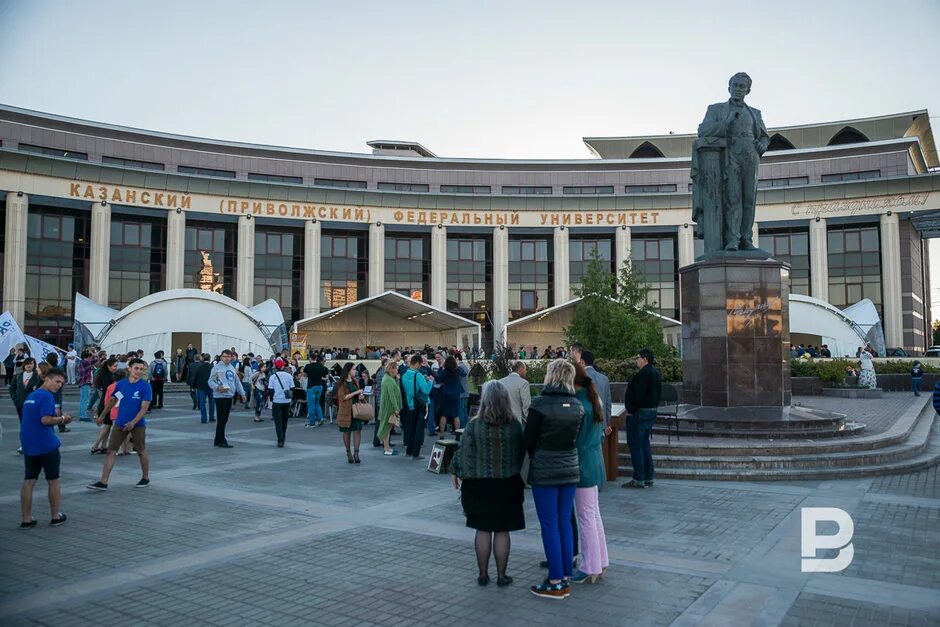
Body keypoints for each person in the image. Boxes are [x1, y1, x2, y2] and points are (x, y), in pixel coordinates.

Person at [451, 380, 526, 587]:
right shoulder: (515, 426)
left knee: (482, 529)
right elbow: (521, 454)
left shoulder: (474, 425)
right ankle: (502, 576)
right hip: (508, 484)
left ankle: (483, 575)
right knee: (502, 530)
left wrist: (457, 472)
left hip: (479, 486)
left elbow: (464, 454)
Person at [524, 359, 583, 599]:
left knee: (549, 525)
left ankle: (555, 581)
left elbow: (528, 440)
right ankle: (566, 573)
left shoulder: (539, 404)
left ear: (551, 376)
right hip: (570, 468)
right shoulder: (578, 406)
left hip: (545, 471)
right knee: (565, 522)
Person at [570, 362, 609, 584]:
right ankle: (600, 561)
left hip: (581, 466)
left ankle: (590, 566)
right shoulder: (593, 401)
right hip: (594, 463)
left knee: (585, 517)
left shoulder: (579, 405)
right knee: (593, 515)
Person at [87, 358, 152, 491]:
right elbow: (113, 400)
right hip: (121, 422)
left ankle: (145, 477)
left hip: (137, 424)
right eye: (136, 368)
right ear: (129, 368)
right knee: (111, 451)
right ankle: (103, 482)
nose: (138, 372)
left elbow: (144, 408)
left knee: (141, 451)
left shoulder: (145, 386)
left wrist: (133, 422)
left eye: (141, 369)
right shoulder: (121, 385)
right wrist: (102, 416)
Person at [19, 366, 71, 528]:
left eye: (62, 383)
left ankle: (26, 519)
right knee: (53, 480)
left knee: (29, 480)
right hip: (46, 444)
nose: (59, 385)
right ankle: (55, 516)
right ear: (46, 379)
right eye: (57, 381)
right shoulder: (47, 396)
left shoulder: (31, 396)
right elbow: (45, 420)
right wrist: (63, 419)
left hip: (29, 444)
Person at [623, 348, 662, 489]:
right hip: (651, 411)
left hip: (639, 413)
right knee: (645, 444)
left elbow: (637, 396)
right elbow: (658, 394)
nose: (636, 360)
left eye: (638, 357)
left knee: (636, 445)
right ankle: (648, 477)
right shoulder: (656, 373)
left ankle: (638, 478)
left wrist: (631, 409)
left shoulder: (642, 374)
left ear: (645, 359)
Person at [210, 349, 246, 448]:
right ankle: (222, 440)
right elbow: (210, 381)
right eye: (224, 356)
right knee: (222, 419)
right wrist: (217, 387)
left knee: (224, 419)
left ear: (231, 358)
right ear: (221, 357)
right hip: (220, 395)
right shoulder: (216, 368)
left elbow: (237, 381)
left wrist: (242, 393)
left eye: (228, 357)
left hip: (229, 395)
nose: (226, 358)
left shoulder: (231, 368)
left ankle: (218, 439)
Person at [401, 354, 433, 460]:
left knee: (410, 429)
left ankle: (409, 450)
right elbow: (426, 390)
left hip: (409, 406)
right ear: (418, 364)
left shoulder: (404, 375)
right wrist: (430, 381)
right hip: (419, 406)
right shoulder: (418, 375)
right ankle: (416, 453)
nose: (421, 367)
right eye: (420, 365)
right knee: (419, 430)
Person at [336, 362, 366, 464]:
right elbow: (342, 397)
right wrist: (356, 393)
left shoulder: (355, 381)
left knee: (357, 430)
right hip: (346, 410)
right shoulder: (342, 383)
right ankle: (348, 452)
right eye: (353, 369)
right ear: (348, 370)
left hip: (356, 409)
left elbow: (357, 394)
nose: (355, 371)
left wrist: (360, 396)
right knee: (346, 431)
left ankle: (356, 452)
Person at [434, 356, 465, 439]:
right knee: (456, 415)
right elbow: (464, 373)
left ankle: (442, 435)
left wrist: (441, 367)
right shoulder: (457, 371)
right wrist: (457, 365)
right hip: (456, 395)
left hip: (446, 395)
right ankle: (457, 434)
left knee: (444, 415)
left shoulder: (444, 372)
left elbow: (437, 378)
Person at [377, 361, 402, 455]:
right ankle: (386, 448)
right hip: (388, 407)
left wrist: (397, 380)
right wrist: (396, 408)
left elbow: (395, 390)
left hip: (387, 406)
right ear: (392, 369)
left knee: (387, 428)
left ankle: (387, 447)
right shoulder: (388, 380)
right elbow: (392, 396)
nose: (397, 371)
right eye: (396, 369)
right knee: (386, 428)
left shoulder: (389, 378)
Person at [268, 359, 295, 448]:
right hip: (286, 401)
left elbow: (271, 390)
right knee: (284, 420)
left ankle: (280, 439)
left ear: (276, 367)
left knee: (278, 421)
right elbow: (292, 388)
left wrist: (272, 399)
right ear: (283, 366)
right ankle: (283, 435)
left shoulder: (273, 377)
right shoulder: (289, 376)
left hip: (277, 401)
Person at [303, 354, 329, 427]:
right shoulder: (321, 366)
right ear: (316, 358)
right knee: (317, 403)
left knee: (311, 404)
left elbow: (305, 375)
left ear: (310, 358)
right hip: (320, 387)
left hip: (311, 387)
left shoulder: (308, 366)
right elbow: (324, 376)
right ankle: (321, 418)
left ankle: (312, 422)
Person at [193, 354, 216, 424]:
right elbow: (215, 377)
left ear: (203, 359)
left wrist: (194, 386)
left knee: (202, 403)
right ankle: (211, 417)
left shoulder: (200, 367)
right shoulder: (212, 367)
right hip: (211, 387)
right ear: (209, 359)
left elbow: (195, 377)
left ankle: (204, 418)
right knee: (212, 402)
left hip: (201, 387)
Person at [75, 350, 95, 422]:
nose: (91, 358)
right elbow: (96, 360)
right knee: (85, 401)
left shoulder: (82, 363)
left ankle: (82, 415)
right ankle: (83, 416)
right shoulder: (86, 362)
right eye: (90, 357)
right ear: (87, 357)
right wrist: (93, 353)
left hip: (82, 384)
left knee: (83, 400)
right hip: (85, 383)